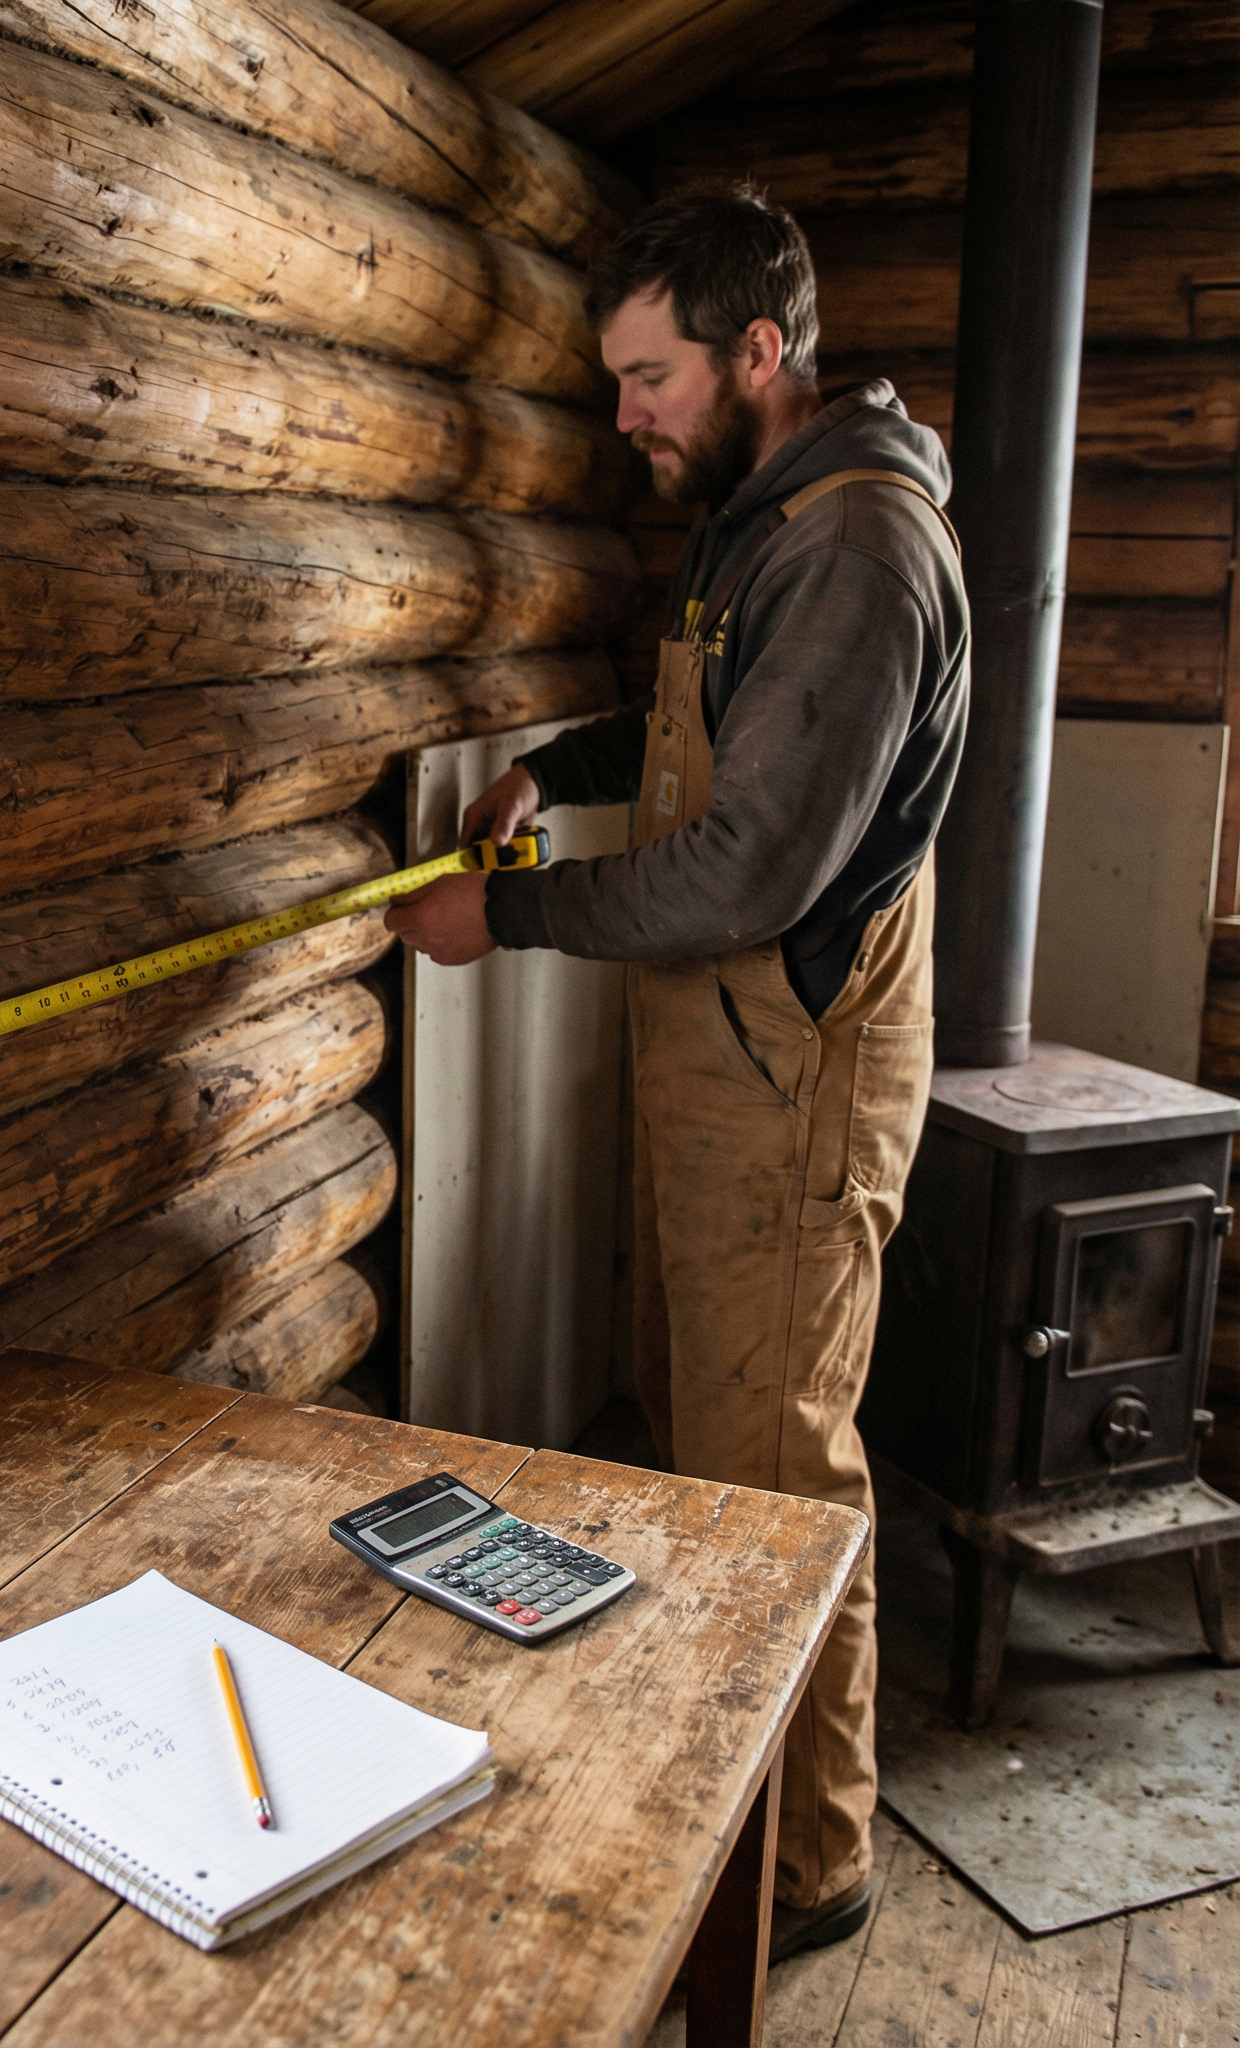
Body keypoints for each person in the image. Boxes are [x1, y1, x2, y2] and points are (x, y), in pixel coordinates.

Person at [384, 185, 969, 1961]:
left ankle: (811, 1865)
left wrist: (518, 920)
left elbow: (752, 867)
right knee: (713, 1452)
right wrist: (551, 770)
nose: (623, 415)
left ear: (759, 354)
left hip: (793, 1072)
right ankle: (733, 1789)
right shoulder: (765, 512)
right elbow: (709, 732)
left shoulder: (857, 548)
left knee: (780, 1474)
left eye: (647, 377)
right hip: (728, 1056)